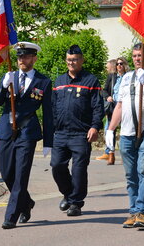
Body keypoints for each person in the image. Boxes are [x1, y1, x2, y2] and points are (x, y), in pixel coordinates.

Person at [0, 41, 53, 229]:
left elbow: (48, 113)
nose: (21, 60)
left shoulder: (43, 82)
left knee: (20, 175)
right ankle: (25, 203)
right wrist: (3, 86)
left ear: (34, 58)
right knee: (6, 172)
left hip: (27, 133)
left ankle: (11, 215)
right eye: (19, 56)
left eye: (26, 56)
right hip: (6, 130)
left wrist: (48, 142)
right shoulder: (9, 76)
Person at [106, 43, 144, 229]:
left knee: (143, 170)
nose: (137, 59)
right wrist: (110, 129)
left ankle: (142, 212)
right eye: (135, 56)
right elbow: (120, 105)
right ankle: (133, 211)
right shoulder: (127, 78)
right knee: (130, 175)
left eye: (140, 55)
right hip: (128, 132)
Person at [51, 45, 104, 216]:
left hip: (81, 134)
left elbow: (98, 107)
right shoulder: (59, 82)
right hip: (60, 134)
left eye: (74, 60)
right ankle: (68, 194)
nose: (71, 63)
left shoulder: (91, 81)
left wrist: (95, 126)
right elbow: (52, 107)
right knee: (57, 166)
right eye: (68, 60)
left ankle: (76, 203)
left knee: (79, 169)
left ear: (81, 60)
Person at [97, 57, 129, 165]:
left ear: (125, 65)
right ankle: (111, 153)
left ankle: (127, 154)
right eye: (117, 64)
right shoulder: (112, 76)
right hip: (114, 105)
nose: (119, 66)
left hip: (126, 106)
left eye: (121, 64)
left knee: (126, 130)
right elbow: (104, 90)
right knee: (110, 130)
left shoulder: (129, 77)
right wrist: (107, 97)